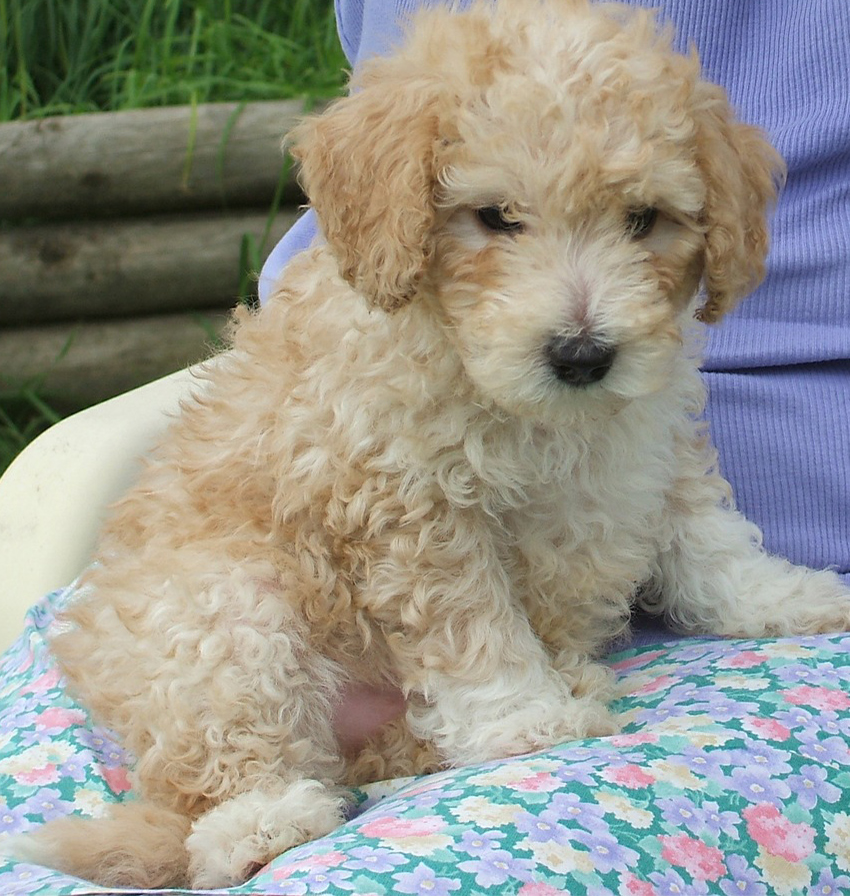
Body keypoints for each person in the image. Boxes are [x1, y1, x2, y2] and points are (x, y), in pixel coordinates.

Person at [260, 0, 850, 649]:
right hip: (325, 633)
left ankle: (714, 581)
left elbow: (654, 449)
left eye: (640, 222)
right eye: (499, 219)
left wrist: (726, 579)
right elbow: (405, 525)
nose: (584, 322)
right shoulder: (385, 356)